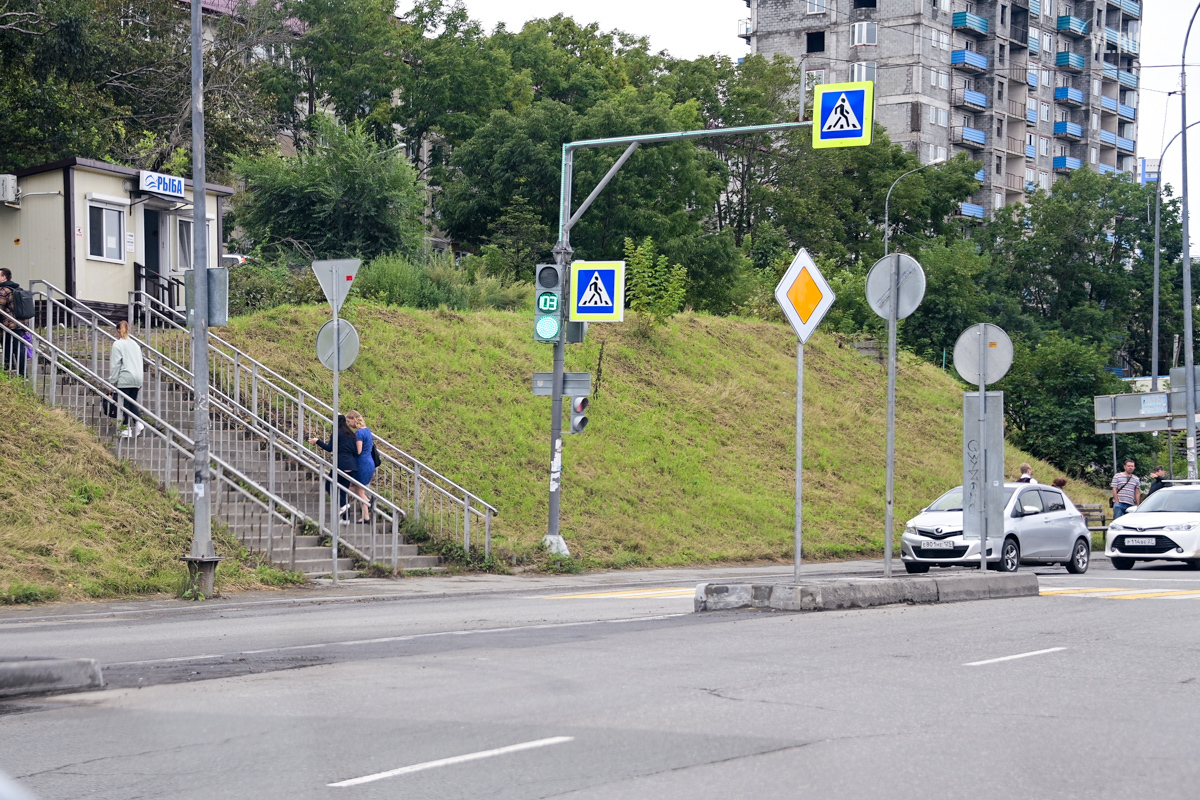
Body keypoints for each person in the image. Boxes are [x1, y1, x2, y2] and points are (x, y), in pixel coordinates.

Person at [309, 415, 358, 519]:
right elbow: (356, 452)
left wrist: (317, 441)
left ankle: (344, 506)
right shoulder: (352, 435)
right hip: (351, 466)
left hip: (340, 465)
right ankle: (346, 519)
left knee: (329, 485)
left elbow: (329, 448)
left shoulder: (337, 433)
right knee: (343, 490)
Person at [109, 320, 145, 438]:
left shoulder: (118, 344)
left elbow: (116, 365)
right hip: (137, 378)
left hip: (125, 377)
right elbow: (140, 362)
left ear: (118, 331)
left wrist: (113, 380)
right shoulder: (135, 344)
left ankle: (126, 429)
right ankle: (138, 422)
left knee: (123, 403)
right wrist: (140, 380)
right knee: (131, 402)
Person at [346, 410, 376, 523]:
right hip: (369, 462)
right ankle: (366, 516)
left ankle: (368, 501)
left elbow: (358, 451)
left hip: (362, 463)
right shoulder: (367, 431)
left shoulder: (359, 433)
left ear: (354, 419)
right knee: (360, 490)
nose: (349, 425)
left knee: (352, 487)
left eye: (349, 421)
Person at [0, 268, 26, 377]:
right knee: (19, 349)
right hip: (19, 323)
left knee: (7, 348)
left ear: (4, 277)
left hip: (8, 325)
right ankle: (22, 373)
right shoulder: (17, 288)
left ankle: (10, 370)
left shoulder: (3, 290)